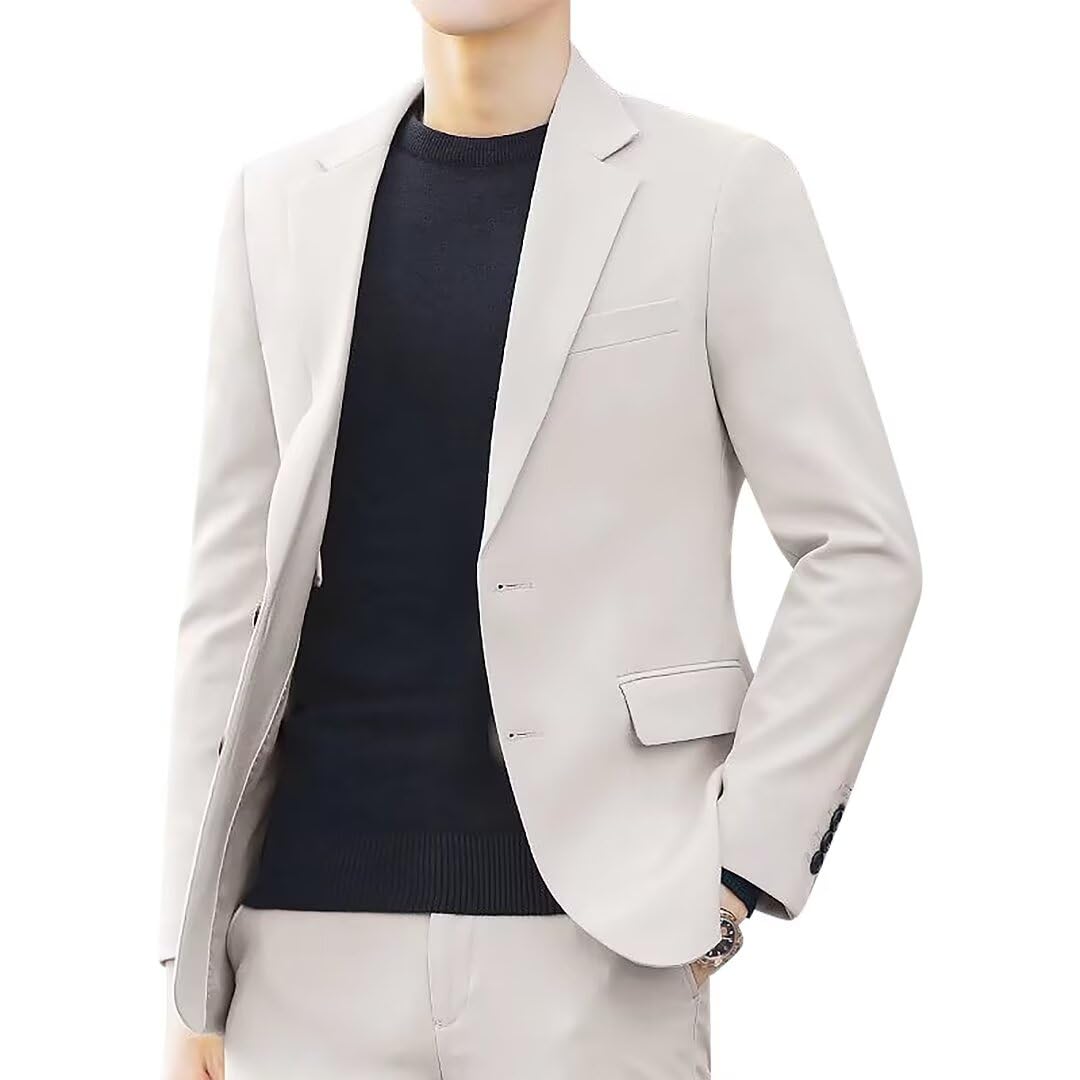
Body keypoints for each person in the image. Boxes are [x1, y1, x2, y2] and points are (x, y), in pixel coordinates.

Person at [160, 2, 921, 1077]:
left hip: (598, 939)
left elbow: (860, 548)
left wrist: (739, 868)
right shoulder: (279, 202)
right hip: (301, 947)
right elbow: (230, 591)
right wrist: (186, 956)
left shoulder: (719, 189)